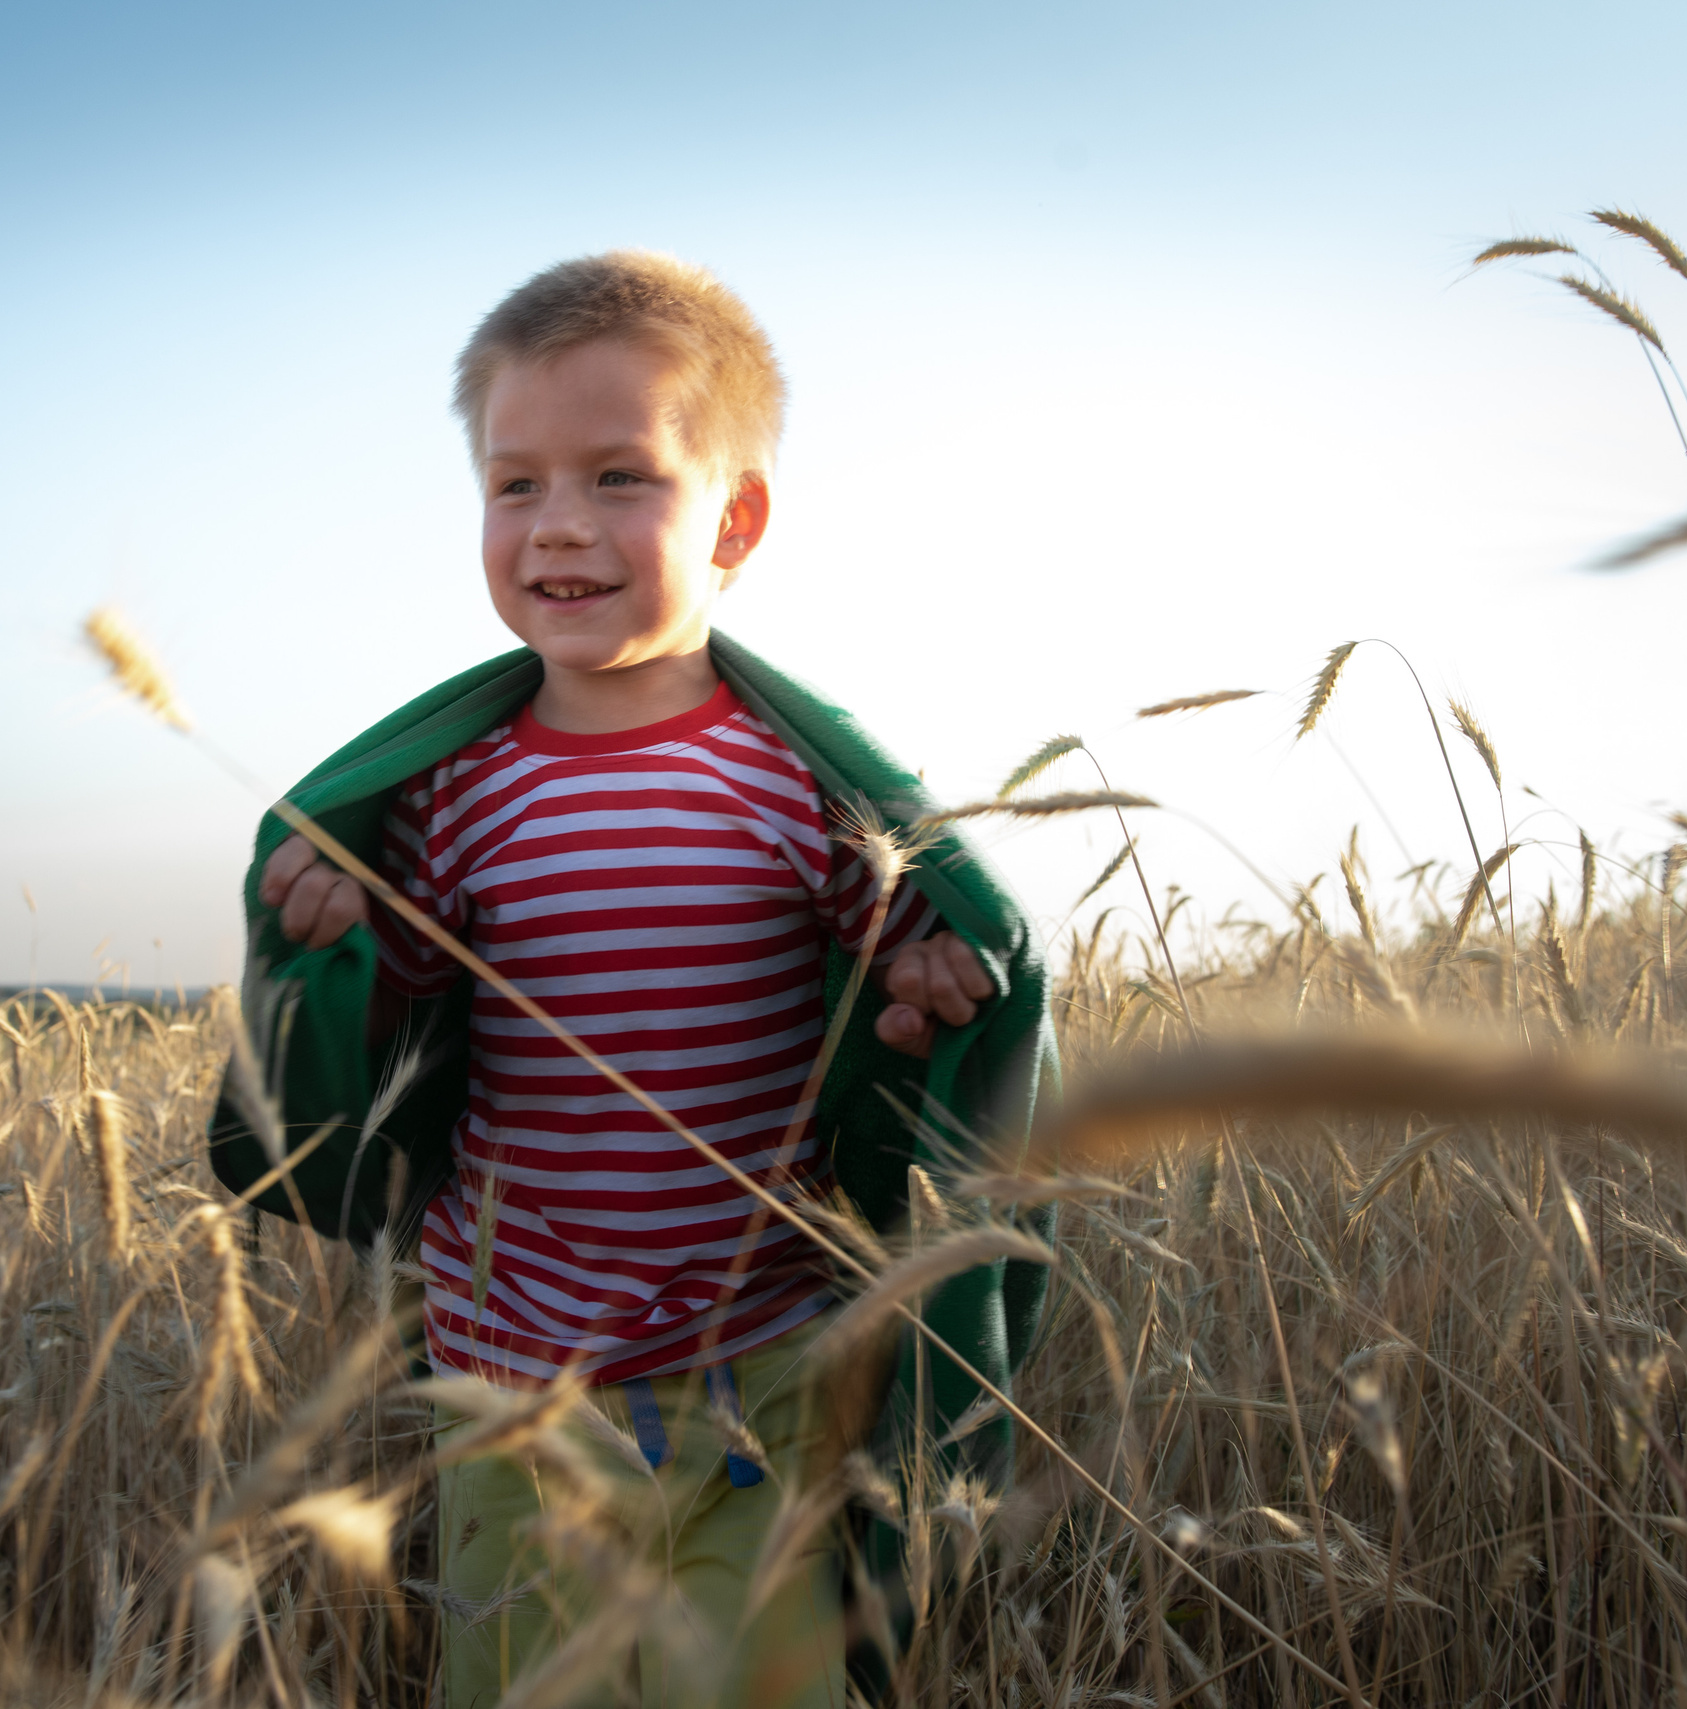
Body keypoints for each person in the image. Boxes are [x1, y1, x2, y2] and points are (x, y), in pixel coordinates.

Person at [210, 253, 1058, 1707]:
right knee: (527, 1676)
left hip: (763, 1353)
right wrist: (339, 940)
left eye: (618, 478)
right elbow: (403, 1018)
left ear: (735, 520)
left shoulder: (797, 785)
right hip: (516, 1368)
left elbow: (887, 988)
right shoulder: (455, 791)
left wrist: (929, 975)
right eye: (515, 484)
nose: (558, 524)